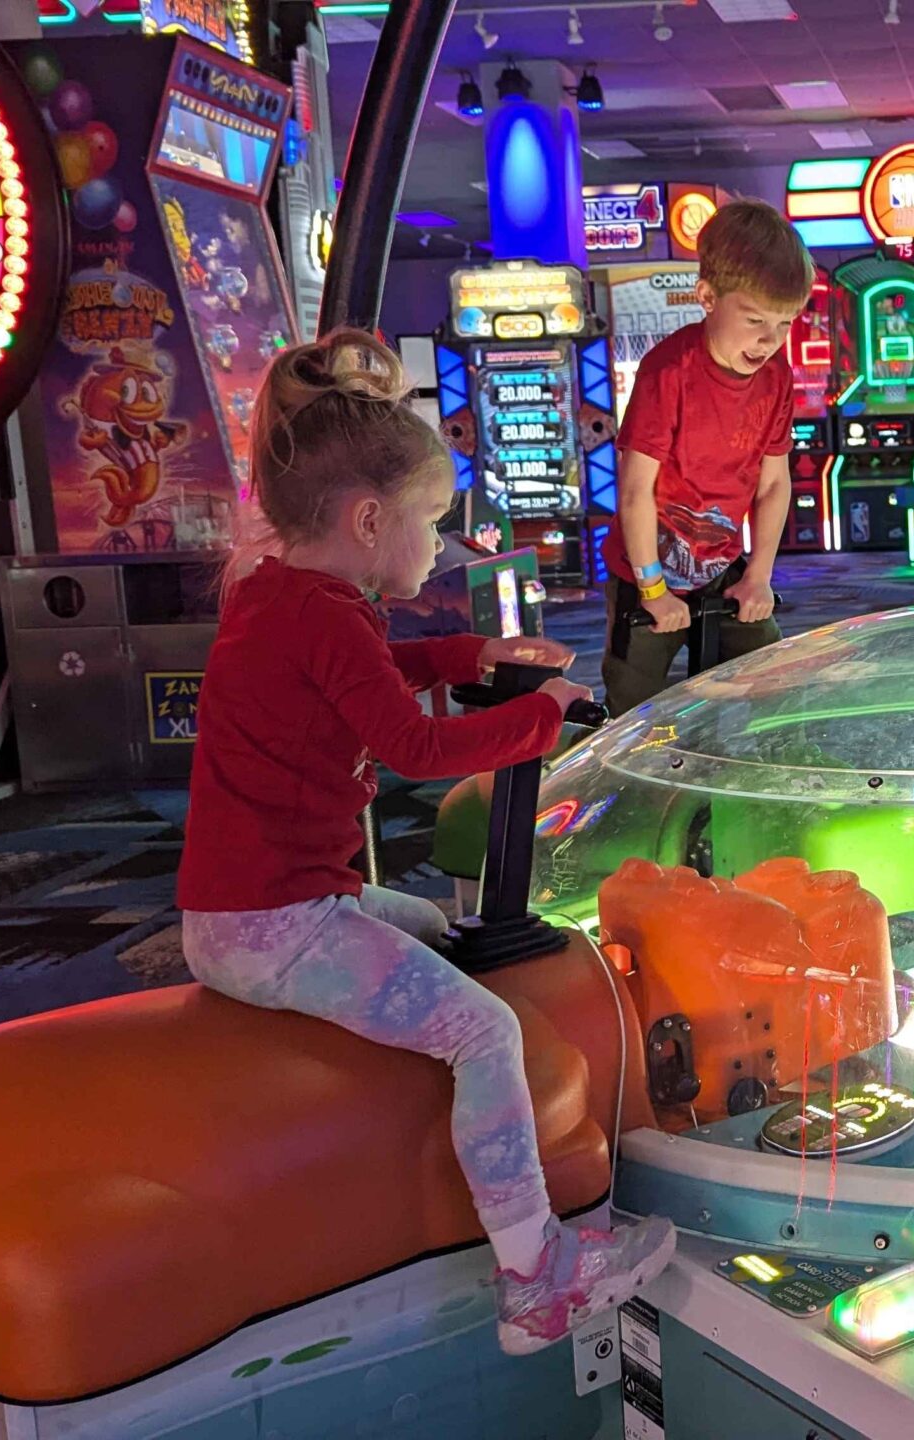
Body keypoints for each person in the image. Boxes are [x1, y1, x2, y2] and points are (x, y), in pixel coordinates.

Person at [175, 329, 674, 1357]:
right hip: (279, 925)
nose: (439, 548)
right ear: (367, 519)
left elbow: (370, 667)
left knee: (431, 926)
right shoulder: (327, 617)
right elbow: (411, 744)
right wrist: (544, 715)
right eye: (430, 526)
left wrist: (472, 652)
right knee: (482, 1029)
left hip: (249, 909)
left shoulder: (284, 596)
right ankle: (536, 1278)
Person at [604, 196, 815, 711]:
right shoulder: (667, 372)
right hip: (644, 569)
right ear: (707, 297)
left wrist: (759, 575)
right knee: (635, 701)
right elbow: (635, 492)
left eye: (786, 324)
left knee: (772, 679)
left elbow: (773, 483)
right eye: (756, 320)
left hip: (720, 565)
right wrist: (654, 589)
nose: (770, 340)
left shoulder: (776, 378)